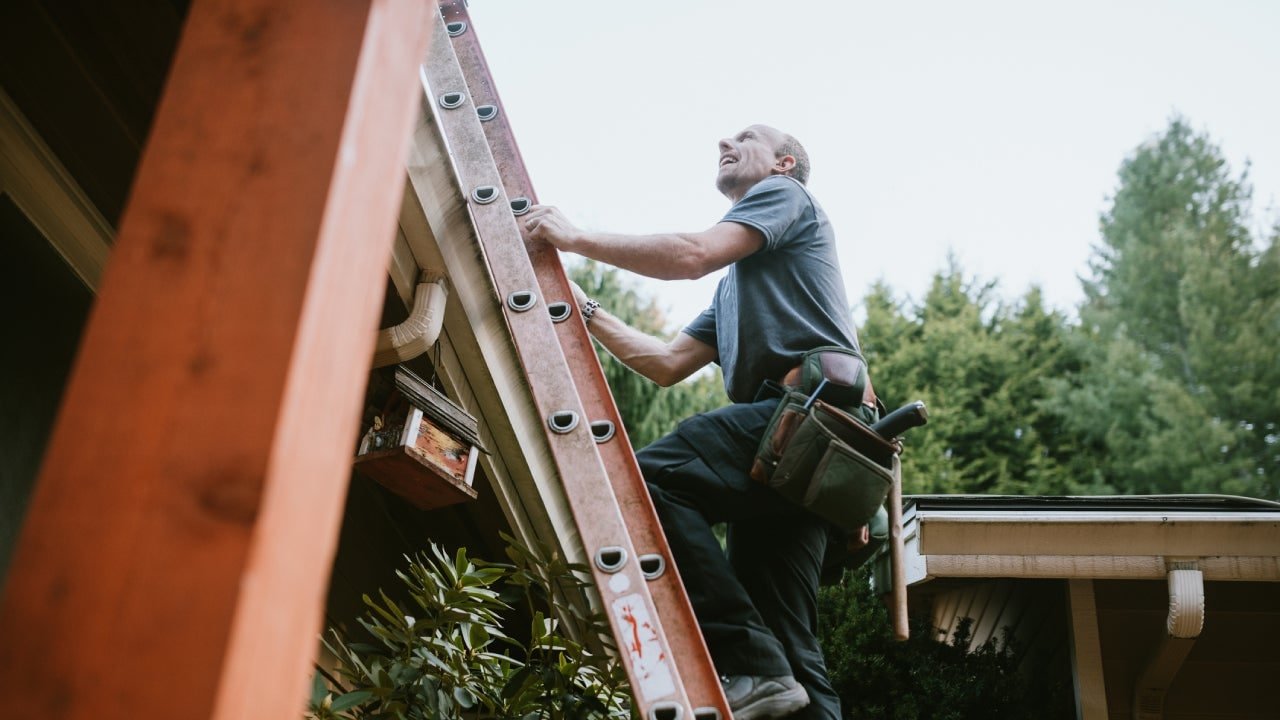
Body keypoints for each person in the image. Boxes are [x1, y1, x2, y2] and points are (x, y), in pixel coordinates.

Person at [525, 124, 863, 720]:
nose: (723, 143)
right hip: (800, 454)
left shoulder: (787, 197)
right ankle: (766, 669)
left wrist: (574, 237)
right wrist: (581, 304)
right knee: (792, 652)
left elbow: (690, 256)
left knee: (648, 483)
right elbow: (664, 362)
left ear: (784, 163)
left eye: (745, 137)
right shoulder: (739, 286)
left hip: (813, 424)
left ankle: (749, 661)